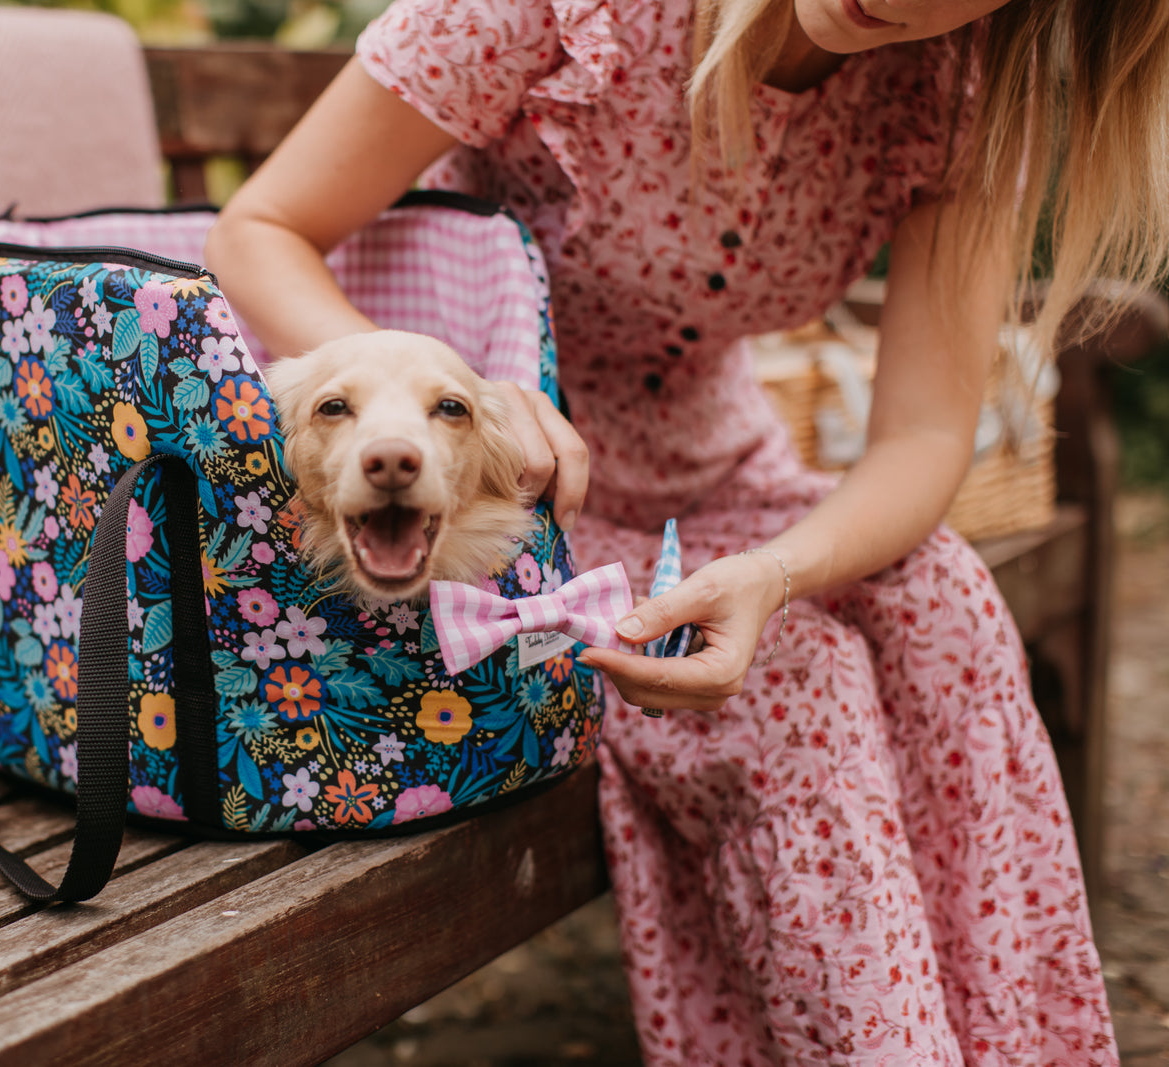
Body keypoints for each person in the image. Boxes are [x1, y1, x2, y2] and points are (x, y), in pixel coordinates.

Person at [205, 0, 1169, 1059]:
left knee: (944, 599)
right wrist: (448, 398)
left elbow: (925, 434)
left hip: (726, 466)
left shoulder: (967, 91)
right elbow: (258, 230)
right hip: (511, 509)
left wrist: (774, 570)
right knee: (799, 679)